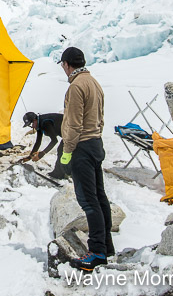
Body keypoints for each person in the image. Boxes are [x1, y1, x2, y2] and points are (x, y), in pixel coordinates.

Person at [57, 46, 113, 271]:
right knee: (99, 197)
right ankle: (106, 246)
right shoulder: (94, 83)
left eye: (63, 65)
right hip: (96, 143)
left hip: (82, 148)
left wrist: (67, 152)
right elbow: (100, 117)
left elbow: (73, 124)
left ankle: (97, 252)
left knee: (89, 201)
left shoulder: (76, 87)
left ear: (67, 64)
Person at [19, 111, 66, 178]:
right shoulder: (39, 124)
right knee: (62, 150)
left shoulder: (45, 123)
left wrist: (42, 154)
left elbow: (54, 141)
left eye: (31, 124)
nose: (32, 126)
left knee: (61, 150)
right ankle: (62, 172)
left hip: (73, 131)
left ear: (34, 120)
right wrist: (29, 157)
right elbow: (38, 142)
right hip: (66, 134)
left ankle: (60, 174)